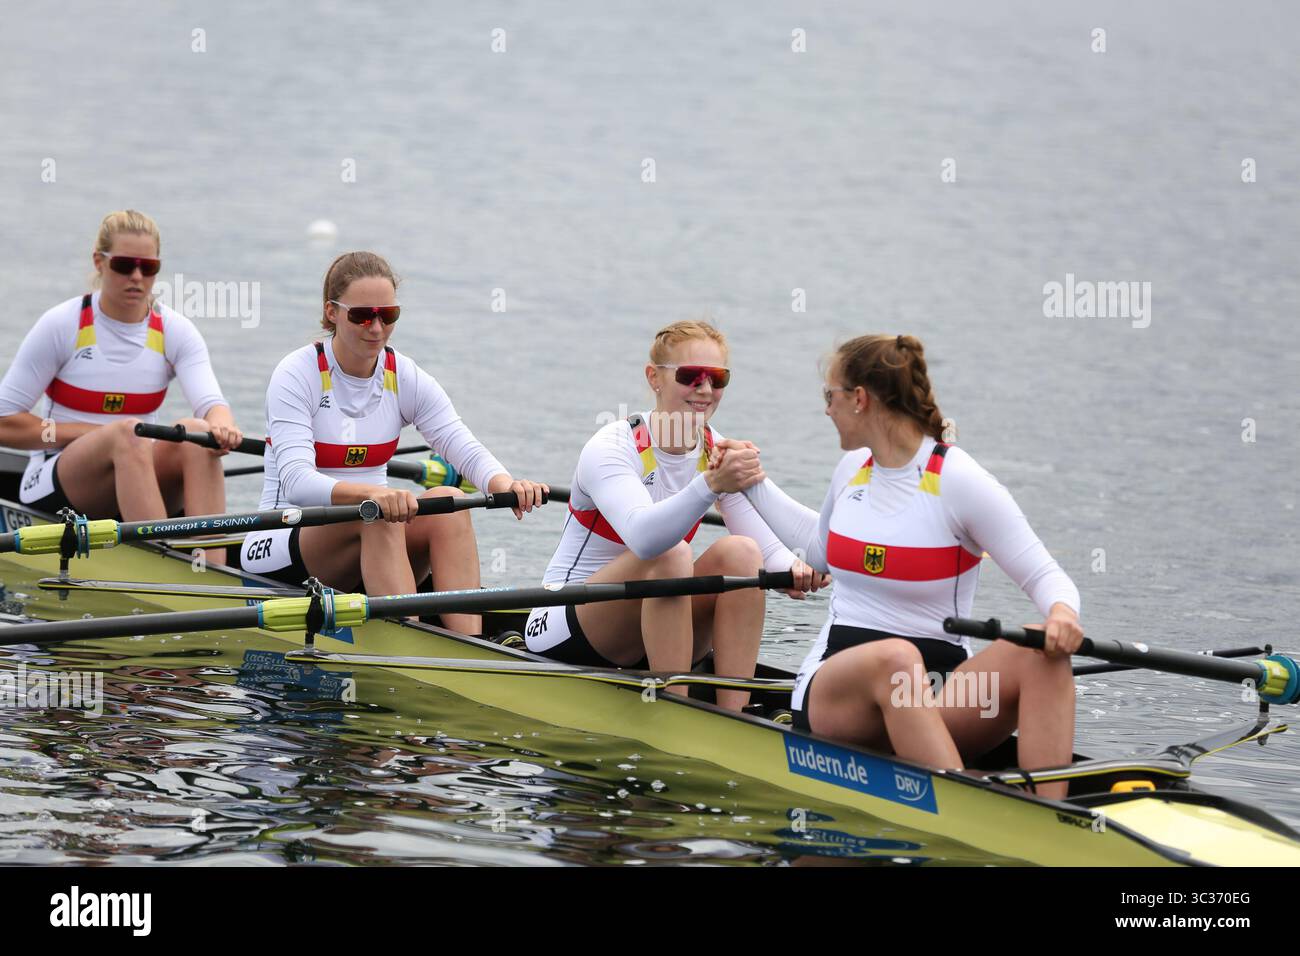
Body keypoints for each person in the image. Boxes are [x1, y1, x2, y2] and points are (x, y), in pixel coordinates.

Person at [723, 334, 1083, 798]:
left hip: (938, 698)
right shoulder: (852, 469)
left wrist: (1063, 616)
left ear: (859, 399)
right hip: (837, 696)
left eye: (828, 396)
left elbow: (1045, 575)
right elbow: (819, 551)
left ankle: (1048, 823)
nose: (826, 409)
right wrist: (752, 484)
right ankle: (962, 805)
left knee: (1042, 652)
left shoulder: (961, 481)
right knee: (897, 659)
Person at [523, 320, 827, 712]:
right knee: (671, 553)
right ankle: (675, 712)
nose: (704, 389)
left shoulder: (712, 449)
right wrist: (711, 485)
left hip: (650, 620)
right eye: (690, 376)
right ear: (655, 378)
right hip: (565, 625)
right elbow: (646, 538)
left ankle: (733, 714)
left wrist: (798, 566)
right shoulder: (613, 445)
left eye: (717, 379)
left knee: (741, 553)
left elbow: (763, 545)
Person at [240, 251, 546, 635]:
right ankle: (408, 645)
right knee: (377, 511)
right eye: (362, 315)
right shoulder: (297, 374)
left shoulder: (402, 375)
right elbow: (298, 484)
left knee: (447, 504)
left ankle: (469, 642)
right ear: (332, 312)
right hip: (282, 538)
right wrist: (372, 493)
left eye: (388, 315)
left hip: (373, 532)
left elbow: (458, 442)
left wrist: (506, 485)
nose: (376, 328)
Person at [0, 210, 242, 560]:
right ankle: (165, 568)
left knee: (196, 433)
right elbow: (5, 423)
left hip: (136, 464)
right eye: (124, 265)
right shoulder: (61, 325)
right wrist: (94, 434)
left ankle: (213, 574)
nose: (137, 277)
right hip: (59, 479)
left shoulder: (175, 330)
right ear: (99, 262)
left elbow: (212, 404)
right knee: (129, 434)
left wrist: (223, 425)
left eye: (149, 268)